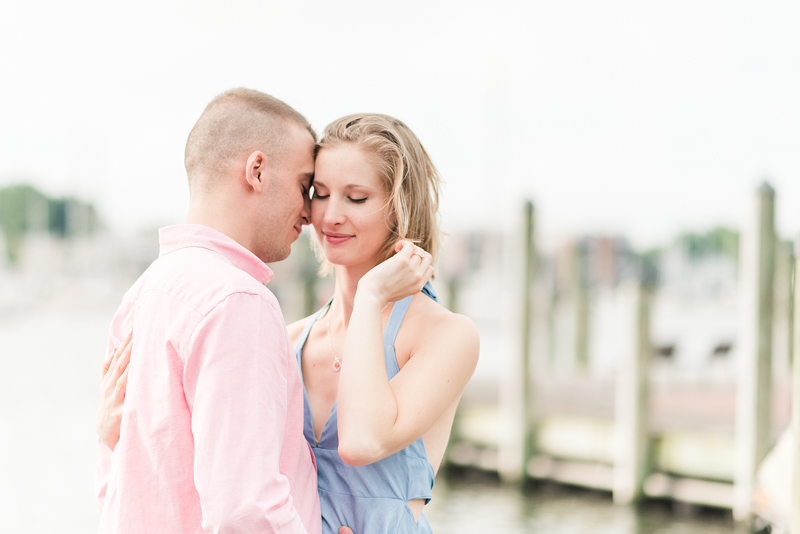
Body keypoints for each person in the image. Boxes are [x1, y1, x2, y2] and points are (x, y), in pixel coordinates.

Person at [99, 113, 480, 533]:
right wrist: (115, 433)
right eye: (318, 193)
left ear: (400, 207)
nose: (329, 216)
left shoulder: (447, 336)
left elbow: (361, 440)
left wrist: (371, 297)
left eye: (356, 198)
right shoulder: (288, 337)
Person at [95, 88, 352, 534]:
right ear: (256, 171)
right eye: (304, 185)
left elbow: (114, 485)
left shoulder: (142, 295)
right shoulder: (238, 302)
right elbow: (245, 509)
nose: (311, 213)